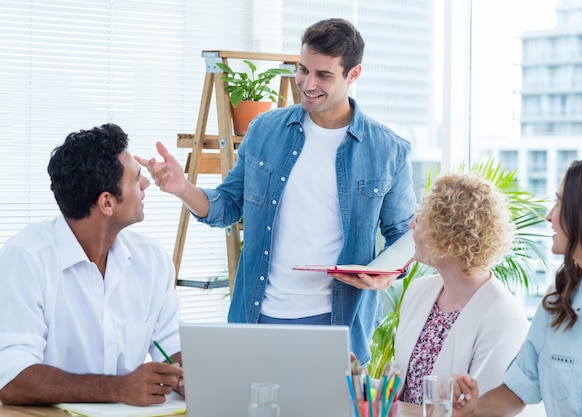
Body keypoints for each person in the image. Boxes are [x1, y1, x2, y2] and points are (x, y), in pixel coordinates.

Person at [136, 18, 416, 364]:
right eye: (303, 70)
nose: (308, 84)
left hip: (336, 326)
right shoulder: (265, 130)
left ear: (353, 74)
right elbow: (227, 205)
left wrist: (385, 275)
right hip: (257, 317)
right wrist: (182, 188)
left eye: (323, 75)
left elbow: (403, 236)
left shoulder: (387, 150)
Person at [0, 123, 183, 406]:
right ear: (107, 203)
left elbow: (172, 347)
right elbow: (11, 379)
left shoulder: (152, 259)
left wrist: (188, 375)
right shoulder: (25, 258)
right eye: (136, 179)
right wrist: (119, 389)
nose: (146, 184)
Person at [453, 156, 582, 417]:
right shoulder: (557, 303)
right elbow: (517, 391)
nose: (549, 216)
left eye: (559, 203)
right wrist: (472, 406)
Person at [394, 172, 528, 405]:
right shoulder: (418, 291)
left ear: (448, 242)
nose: (410, 225)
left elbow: (480, 408)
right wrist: (356, 376)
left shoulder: (503, 316)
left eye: (421, 221)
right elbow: (401, 387)